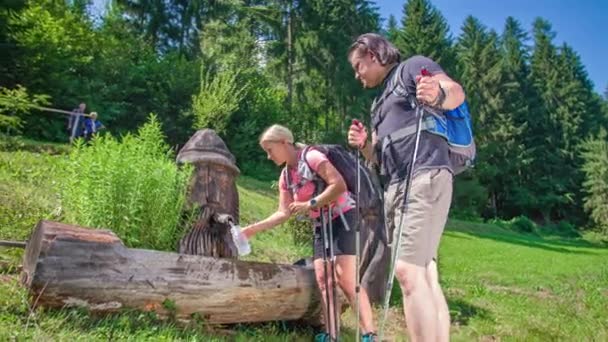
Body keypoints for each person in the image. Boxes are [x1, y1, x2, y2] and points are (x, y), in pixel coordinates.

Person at [347, 33, 466, 342]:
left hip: (423, 176)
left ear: (373, 55)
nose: (357, 75)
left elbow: (455, 91)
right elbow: (381, 162)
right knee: (425, 272)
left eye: (358, 66)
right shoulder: (379, 103)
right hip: (400, 185)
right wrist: (365, 147)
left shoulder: (413, 67)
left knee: (407, 271)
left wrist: (438, 95)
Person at [241, 124, 377, 342]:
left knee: (346, 279)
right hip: (321, 224)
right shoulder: (286, 176)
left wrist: (309, 203)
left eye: (270, 149)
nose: (268, 156)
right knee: (324, 280)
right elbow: (283, 213)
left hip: (343, 218)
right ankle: (332, 335)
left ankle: (369, 334)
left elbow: (339, 185)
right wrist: (251, 230)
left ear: (285, 143)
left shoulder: (312, 156)